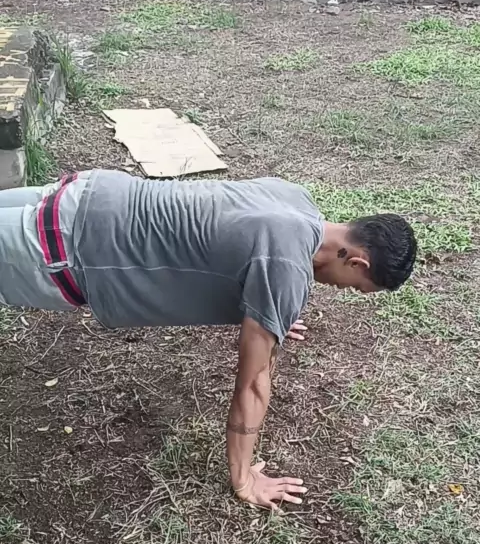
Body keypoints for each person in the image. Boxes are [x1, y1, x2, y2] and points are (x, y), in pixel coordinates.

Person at [0, 169, 417, 508]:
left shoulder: (295, 199)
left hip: (84, 194)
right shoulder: (286, 267)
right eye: (356, 287)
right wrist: (244, 478)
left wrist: (270, 312)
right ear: (358, 262)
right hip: (61, 247)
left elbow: (226, 240)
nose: (345, 290)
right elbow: (253, 384)